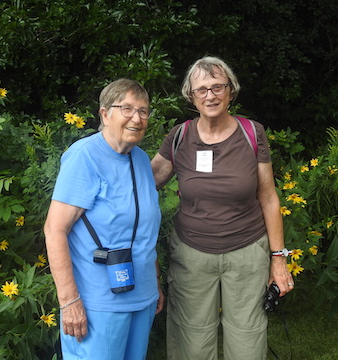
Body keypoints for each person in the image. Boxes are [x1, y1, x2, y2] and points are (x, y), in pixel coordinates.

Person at [151, 56, 294, 360]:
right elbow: (145, 183)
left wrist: (278, 259)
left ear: (231, 91)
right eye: (202, 89)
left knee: (247, 337)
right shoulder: (179, 138)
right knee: (191, 338)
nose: (210, 95)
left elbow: (268, 197)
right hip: (191, 256)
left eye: (218, 87)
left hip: (246, 253)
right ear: (191, 96)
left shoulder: (252, 133)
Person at [44, 78, 164, 360]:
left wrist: (155, 283)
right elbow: (54, 229)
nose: (137, 118)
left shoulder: (142, 160)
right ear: (104, 114)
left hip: (141, 296)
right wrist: (69, 301)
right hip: (98, 302)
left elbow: (145, 228)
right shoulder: (84, 157)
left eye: (144, 111)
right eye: (127, 109)